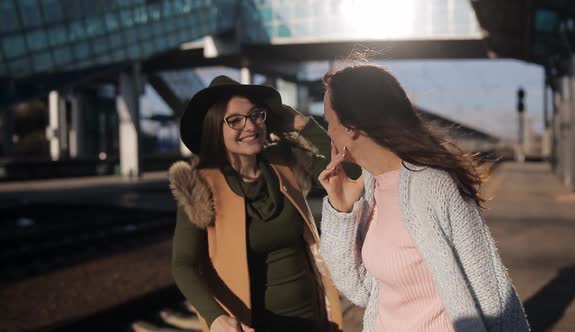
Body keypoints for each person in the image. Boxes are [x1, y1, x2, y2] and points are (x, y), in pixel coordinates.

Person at [317, 64, 529, 332]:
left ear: (352, 127)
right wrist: (341, 209)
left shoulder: (433, 186)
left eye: (328, 121)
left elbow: (489, 289)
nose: (327, 133)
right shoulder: (373, 187)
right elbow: (359, 290)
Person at [168, 75, 342, 332]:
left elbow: (348, 169)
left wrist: (303, 125)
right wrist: (214, 317)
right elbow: (183, 264)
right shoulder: (201, 185)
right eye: (235, 120)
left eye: (256, 115)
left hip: (314, 318)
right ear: (216, 128)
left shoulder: (285, 161)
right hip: (251, 325)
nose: (250, 126)